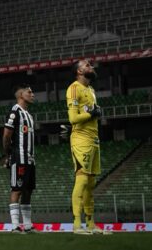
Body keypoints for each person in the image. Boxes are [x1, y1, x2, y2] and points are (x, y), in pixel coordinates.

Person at [66, 60, 110, 235]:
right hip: (80, 139)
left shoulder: (91, 90)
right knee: (82, 179)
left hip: (94, 139)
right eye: (87, 65)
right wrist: (90, 113)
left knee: (91, 184)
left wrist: (95, 114)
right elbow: (73, 119)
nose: (91, 67)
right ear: (79, 71)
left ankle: (91, 224)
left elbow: (89, 115)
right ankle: (77, 224)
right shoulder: (74, 88)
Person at [3, 84, 37, 234]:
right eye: (29, 92)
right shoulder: (14, 111)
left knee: (28, 190)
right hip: (19, 157)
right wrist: (8, 155)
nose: (32, 94)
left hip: (30, 158)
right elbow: (6, 136)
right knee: (17, 189)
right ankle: (15, 225)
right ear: (20, 95)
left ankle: (28, 225)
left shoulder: (28, 115)